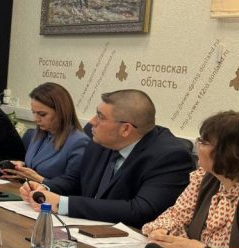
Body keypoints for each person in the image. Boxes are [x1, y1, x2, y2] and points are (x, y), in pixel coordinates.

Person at [20, 89, 193, 229]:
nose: (92, 122)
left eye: (101, 117)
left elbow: (140, 211)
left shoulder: (170, 157)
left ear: (125, 129)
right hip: (87, 230)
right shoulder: (99, 138)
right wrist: (45, 188)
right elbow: (76, 180)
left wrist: (62, 204)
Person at [142, 111, 239, 248]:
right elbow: (175, 216)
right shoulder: (205, 178)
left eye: (203, 142)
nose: (197, 145)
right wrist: (163, 232)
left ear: (230, 152)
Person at [0, 82, 89, 182]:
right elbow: (36, 166)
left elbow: (73, 185)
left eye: (42, 114)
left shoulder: (79, 141)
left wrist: (40, 180)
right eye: (33, 112)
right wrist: (21, 167)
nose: (35, 119)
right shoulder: (37, 134)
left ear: (61, 112)